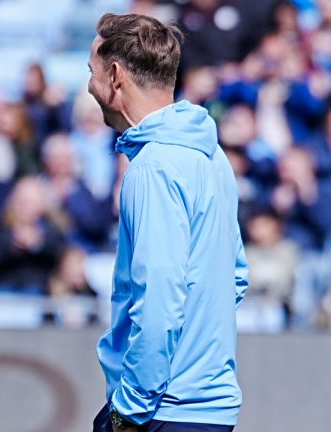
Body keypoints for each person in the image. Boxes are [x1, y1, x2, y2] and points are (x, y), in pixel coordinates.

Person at [87, 14, 248, 432]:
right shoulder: (213, 157)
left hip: (163, 411)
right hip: (208, 409)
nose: (89, 85)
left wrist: (130, 410)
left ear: (116, 75)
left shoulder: (153, 168)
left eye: (92, 71)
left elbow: (159, 299)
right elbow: (235, 277)